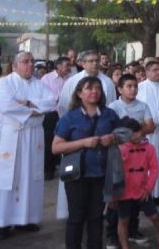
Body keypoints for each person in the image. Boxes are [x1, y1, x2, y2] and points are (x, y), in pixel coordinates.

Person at [0, 52, 57, 239]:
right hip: (11, 135)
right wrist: (33, 110)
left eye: (32, 61)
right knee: (7, 178)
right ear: (15, 65)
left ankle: (25, 219)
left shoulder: (39, 84)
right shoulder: (4, 83)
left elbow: (50, 102)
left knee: (30, 177)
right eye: (25, 62)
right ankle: (2, 221)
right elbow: (5, 105)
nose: (30, 65)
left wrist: (28, 103)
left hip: (34, 136)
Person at [53, 76, 120, 249]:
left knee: (96, 217)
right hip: (78, 175)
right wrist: (83, 143)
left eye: (98, 88)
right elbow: (56, 147)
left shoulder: (109, 115)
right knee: (76, 217)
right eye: (89, 88)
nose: (94, 92)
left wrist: (113, 138)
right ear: (79, 93)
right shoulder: (70, 118)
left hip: (101, 174)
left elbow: (124, 136)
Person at [106, 74, 154, 247]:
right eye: (128, 86)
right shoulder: (113, 107)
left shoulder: (143, 106)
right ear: (120, 89)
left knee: (136, 194)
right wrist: (128, 134)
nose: (133, 89)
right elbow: (111, 129)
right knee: (118, 195)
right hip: (120, 155)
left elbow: (150, 126)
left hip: (139, 155)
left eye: (135, 86)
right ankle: (112, 234)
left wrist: (139, 133)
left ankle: (133, 230)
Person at [114, 117, 159, 249]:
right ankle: (125, 246)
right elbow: (113, 173)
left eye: (137, 131)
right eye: (131, 133)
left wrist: (148, 188)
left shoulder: (149, 148)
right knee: (123, 220)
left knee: (154, 216)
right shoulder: (119, 149)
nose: (136, 135)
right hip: (123, 192)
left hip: (142, 190)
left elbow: (154, 169)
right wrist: (113, 194)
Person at [137, 59, 159, 201]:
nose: (158, 72)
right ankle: (148, 193)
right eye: (155, 70)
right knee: (149, 162)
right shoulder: (140, 87)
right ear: (147, 72)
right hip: (149, 132)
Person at [41, 56, 72, 180]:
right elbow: (42, 96)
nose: (69, 68)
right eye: (66, 65)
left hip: (67, 114)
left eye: (69, 66)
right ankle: (49, 169)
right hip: (51, 114)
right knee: (49, 141)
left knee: (67, 140)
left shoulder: (71, 79)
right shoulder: (47, 78)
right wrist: (56, 98)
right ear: (58, 66)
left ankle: (66, 166)